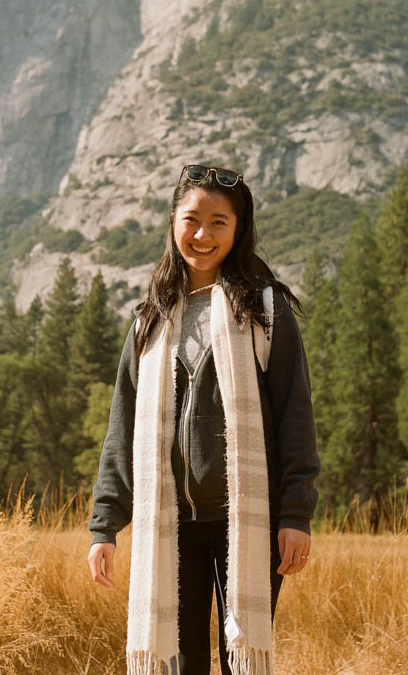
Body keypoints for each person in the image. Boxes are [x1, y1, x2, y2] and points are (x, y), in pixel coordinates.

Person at [87, 163, 320, 675]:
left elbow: (295, 417)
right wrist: (104, 526)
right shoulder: (149, 320)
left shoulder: (265, 310)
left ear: (239, 230)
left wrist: (296, 515)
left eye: (219, 222)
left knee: (243, 662)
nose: (203, 234)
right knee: (179, 664)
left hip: (247, 519)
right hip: (170, 523)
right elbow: (121, 430)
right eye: (192, 219)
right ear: (173, 222)